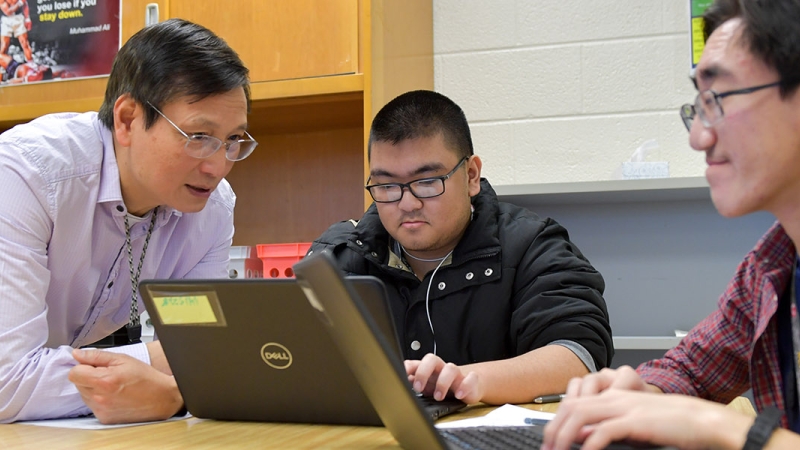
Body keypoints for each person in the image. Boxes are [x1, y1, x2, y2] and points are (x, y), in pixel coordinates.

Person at [543, 1, 800, 449]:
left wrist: (717, 427)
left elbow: (703, 414)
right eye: (698, 106)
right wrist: (638, 395)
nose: (698, 137)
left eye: (717, 100)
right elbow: (692, 367)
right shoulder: (772, 266)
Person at [0, 18, 256, 424]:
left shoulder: (212, 211)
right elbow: (7, 382)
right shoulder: (26, 175)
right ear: (127, 120)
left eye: (233, 141)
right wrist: (155, 359)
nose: (218, 166)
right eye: (198, 136)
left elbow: (202, 351)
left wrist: (173, 390)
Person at [309, 90, 613, 405]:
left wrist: (468, 381)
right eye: (386, 186)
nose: (407, 203)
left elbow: (578, 357)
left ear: (470, 175)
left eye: (427, 182)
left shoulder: (532, 246)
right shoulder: (338, 257)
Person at [0, 52, 73, 83]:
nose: (43, 66)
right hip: (18, 65)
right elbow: (61, 72)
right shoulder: (48, 72)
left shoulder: (37, 76)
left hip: (15, 71)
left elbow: (15, 81)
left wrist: (6, 82)